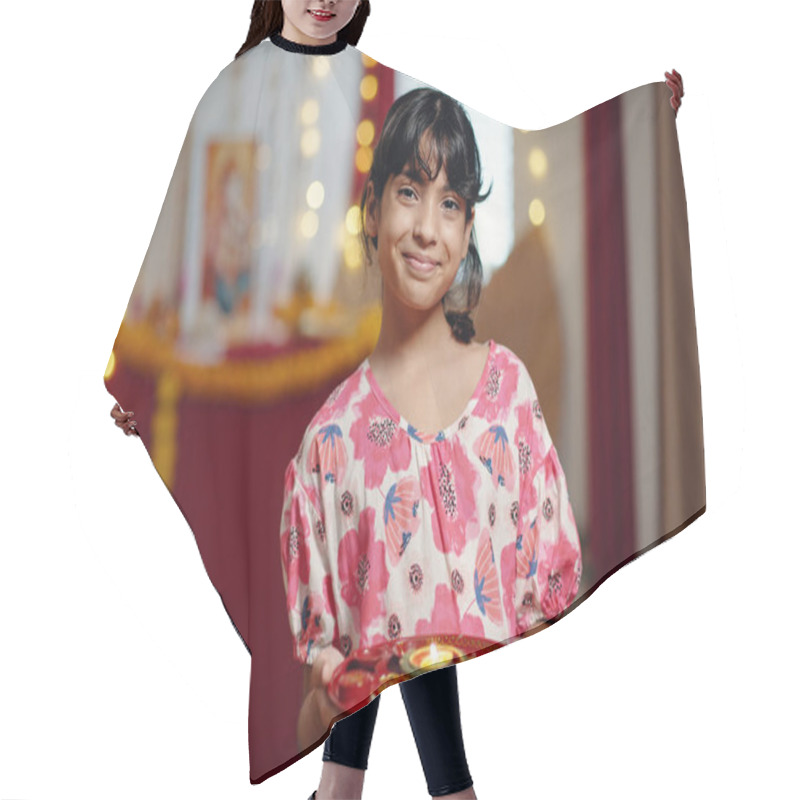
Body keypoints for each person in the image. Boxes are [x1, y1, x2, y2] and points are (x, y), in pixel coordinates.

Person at [108, 5, 686, 800]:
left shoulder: (374, 85)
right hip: (302, 384)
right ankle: (407, 789)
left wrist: (637, 133)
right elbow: (191, 240)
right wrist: (143, 368)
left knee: (395, 586)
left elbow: (502, 143)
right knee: (373, 580)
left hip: (378, 370)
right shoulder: (234, 91)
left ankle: (355, 787)